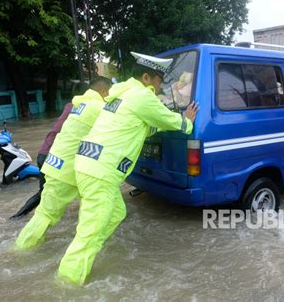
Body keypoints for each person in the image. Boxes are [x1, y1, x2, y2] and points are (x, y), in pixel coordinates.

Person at [55, 52, 199, 285]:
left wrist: (157, 127)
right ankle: (66, 285)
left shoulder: (121, 94)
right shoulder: (143, 97)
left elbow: (139, 127)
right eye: (159, 82)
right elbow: (174, 121)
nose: (161, 88)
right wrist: (188, 120)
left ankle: (89, 246)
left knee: (116, 213)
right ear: (146, 77)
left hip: (89, 164)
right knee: (89, 233)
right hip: (100, 171)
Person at [15, 77, 112, 248]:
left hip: (55, 161)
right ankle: (21, 249)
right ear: (103, 92)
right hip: (66, 169)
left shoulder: (78, 105)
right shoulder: (97, 108)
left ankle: (28, 245)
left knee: (48, 211)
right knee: (45, 215)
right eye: (109, 94)